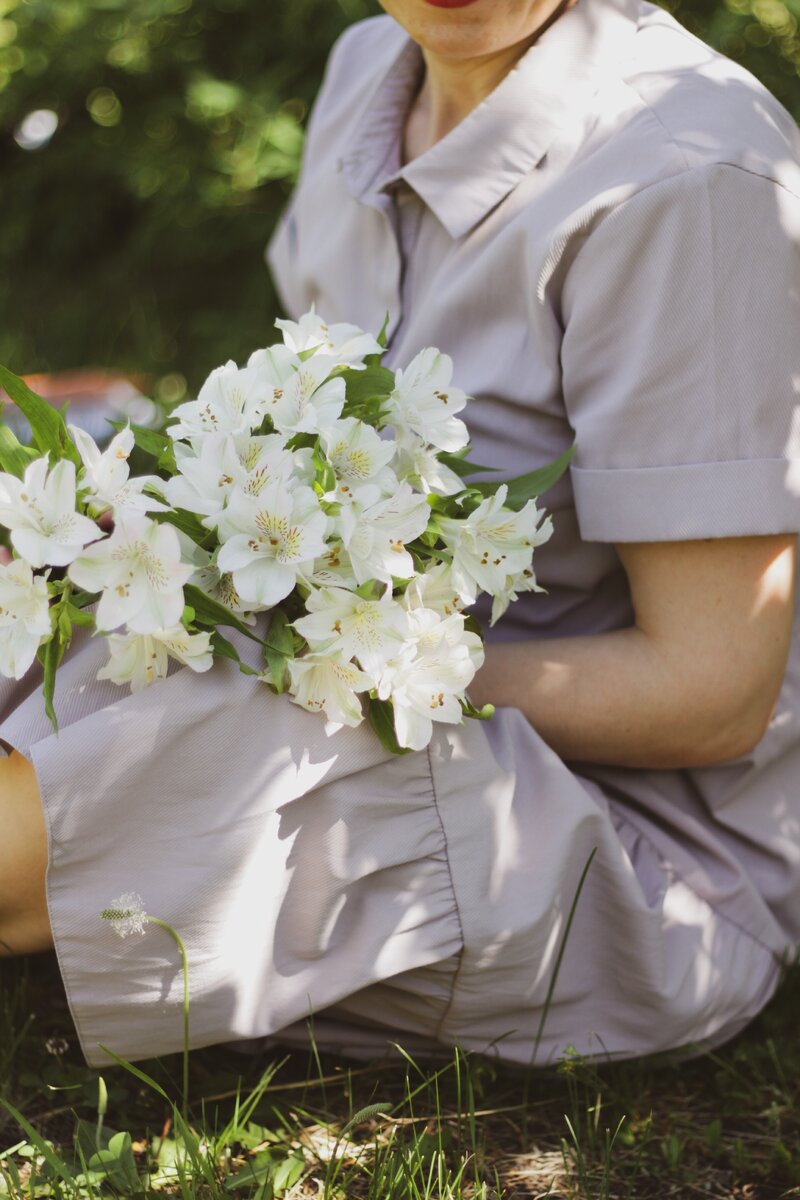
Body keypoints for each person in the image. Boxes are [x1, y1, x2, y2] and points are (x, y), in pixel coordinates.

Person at [1, 0, 799, 1069]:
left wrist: (357, 665)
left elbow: (710, 694)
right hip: (347, 675)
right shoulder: (370, 73)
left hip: (636, 850)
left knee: (19, 861)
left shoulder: (687, 176)